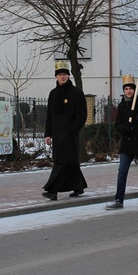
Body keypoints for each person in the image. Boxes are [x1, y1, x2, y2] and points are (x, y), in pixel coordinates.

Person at [105, 75, 138, 210]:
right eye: (126, 89)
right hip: (127, 144)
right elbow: (117, 125)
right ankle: (119, 200)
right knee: (122, 172)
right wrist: (124, 128)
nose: (128, 91)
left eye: (131, 89)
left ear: (135, 89)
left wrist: (137, 117)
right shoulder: (122, 106)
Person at [42, 61, 88, 201]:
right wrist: (48, 133)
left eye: (64, 74)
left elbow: (82, 115)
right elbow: (50, 115)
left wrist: (73, 129)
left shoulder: (76, 93)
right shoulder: (53, 93)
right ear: (56, 77)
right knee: (70, 162)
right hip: (57, 134)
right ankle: (78, 186)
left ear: (68, 76)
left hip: (70, 135)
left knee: (62, 163)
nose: (62, 77)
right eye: (59, 75)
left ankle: (52, 190)